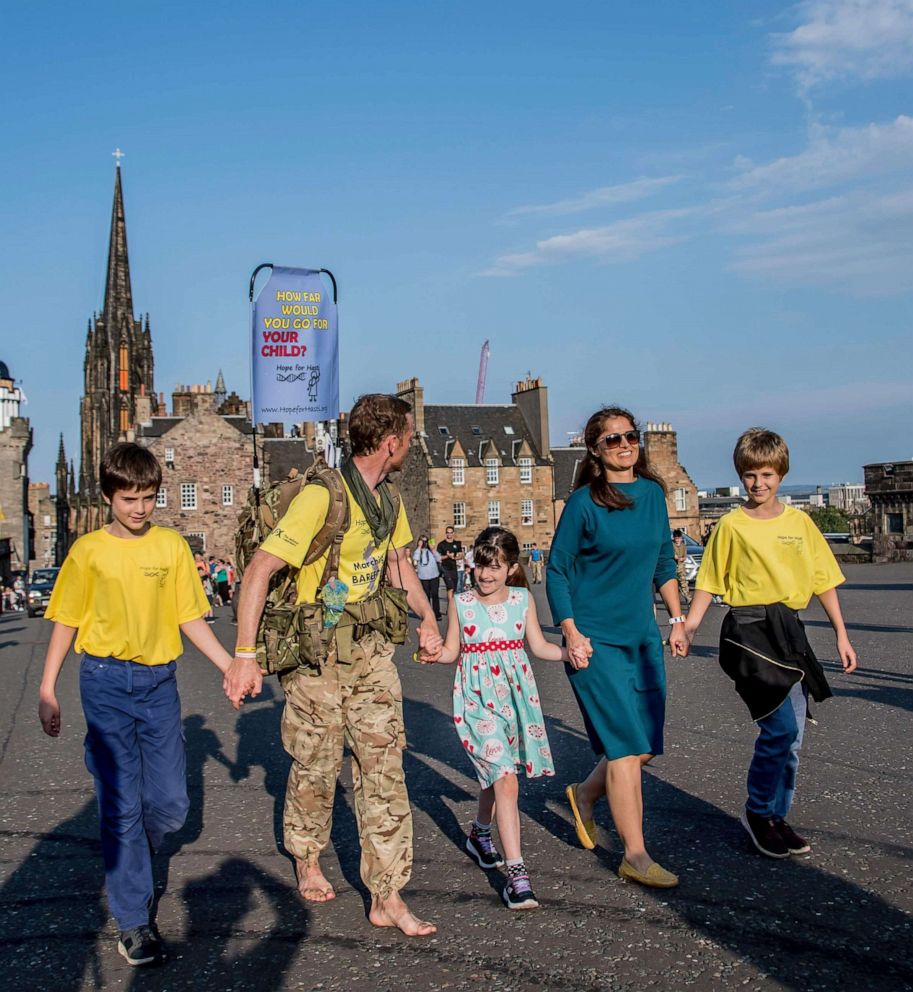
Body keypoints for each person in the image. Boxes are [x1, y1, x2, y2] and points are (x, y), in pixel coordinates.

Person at [224, 393, 443, 937]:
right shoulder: (323, 496)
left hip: (370, 652)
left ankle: (387, 893)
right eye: (409, 437)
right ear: (390, 442)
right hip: (316, 657)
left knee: (385, 767)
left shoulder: (388, 500)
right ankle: (306, 854)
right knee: (316, 767)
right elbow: (258, 571)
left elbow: (399, 568)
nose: (410, 446)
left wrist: (428, 619)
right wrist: (244, 657)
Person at [37, 442, 234, 967]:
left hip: (157, 683)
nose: (140, 508)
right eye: (129, 499)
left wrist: (230, 665)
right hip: (103, 680)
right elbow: (67, 619)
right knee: (122, 806)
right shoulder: (88, 552)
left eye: (148, 497)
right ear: (108, 497)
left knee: (170, 806)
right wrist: (47, 688)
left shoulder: (170, 547)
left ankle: (128, 851)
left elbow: (190, 616)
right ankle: (134, 920)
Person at [684, 428, 857, 859]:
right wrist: (687, 627)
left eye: (766, 474)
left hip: (789, 631)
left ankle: (777, 815)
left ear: (781, 473)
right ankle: (759, 812)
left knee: (793, 738)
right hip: (747, 633)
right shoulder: (730, 525)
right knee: (779, 728)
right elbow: (708, 581)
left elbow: (824, 581)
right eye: (749, 475)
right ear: (740, 476)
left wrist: (841, 634)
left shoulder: (800, 523)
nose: (758, 484)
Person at [547, 406, 688, 889]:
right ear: (595, 449)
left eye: (631, 436)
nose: (625, 445)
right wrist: (569, 631)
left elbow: (664, 562)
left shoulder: (652, 495)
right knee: (627, 749)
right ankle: (636, 854)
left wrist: (678, 619)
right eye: (613, 440)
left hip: (642, 638)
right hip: (594, 640)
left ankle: (585, 794)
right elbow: (557, 570)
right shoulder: (584, 503)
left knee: (645, 746)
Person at [428, 527, 576, 909]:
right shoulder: (460, 601)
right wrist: (429, 652)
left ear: (511, 568)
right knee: (506, 779)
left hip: (516, 697)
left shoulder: (524, 599)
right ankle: (517, 874)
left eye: (494, 567)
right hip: (475, 700)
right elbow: (450, 652)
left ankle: (479, 833)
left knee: (498, 773)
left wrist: (571, 652)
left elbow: (541, 647)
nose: (485, 574)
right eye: (480, 565)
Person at [412, 536, 442, 620]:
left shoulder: (431, 551)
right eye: (422, 541)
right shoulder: (418, 551)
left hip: (434, 576)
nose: (424, 543)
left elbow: (439, 559)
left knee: (435, 595)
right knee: (426, 596)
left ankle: (437, 613)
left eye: (426, 541)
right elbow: (415, 558)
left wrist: (433, 549)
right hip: (423, 577)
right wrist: (419, 547)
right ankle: (427, 614)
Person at [437, 526, 463, 608]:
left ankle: (451, 603)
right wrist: (447, 556)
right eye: (447, 532)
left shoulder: (457, 543)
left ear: (453, 533)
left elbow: (461, 555)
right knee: (450, 587)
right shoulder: (441, 545)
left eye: (451, 532)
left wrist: (454, 557)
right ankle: (451, 606)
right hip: (445, 568)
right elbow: (438, 557)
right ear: (446, 533)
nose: (449, 534)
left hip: (454, 568)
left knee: (454, 589)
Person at [671, 530, 691, 605]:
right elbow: (672, 554)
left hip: (681, 567)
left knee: (683, 583)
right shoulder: (671, 545)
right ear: (674, 538)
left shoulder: (683, 546)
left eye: (679, 538)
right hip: (673, 567)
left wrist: (683, 558)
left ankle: (688, 599)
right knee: (673, 585)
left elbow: (684, 556)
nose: (678, 540)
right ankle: (673, 601)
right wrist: (675, 557)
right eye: (676, 538)